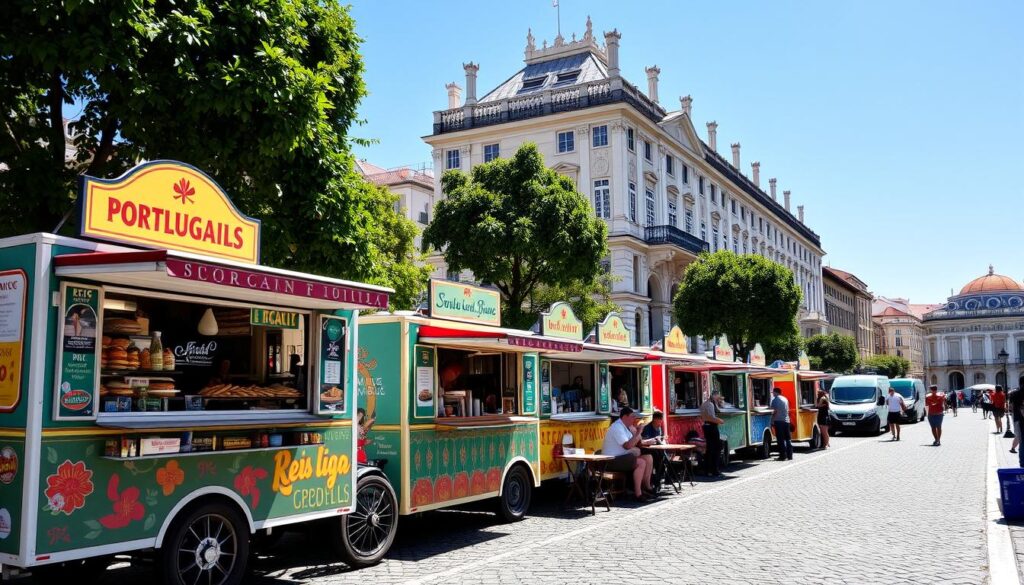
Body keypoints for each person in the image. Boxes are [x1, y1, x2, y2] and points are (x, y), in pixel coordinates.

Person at [600, 407, 656, 501]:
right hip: (612, 460)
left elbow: (637, 444)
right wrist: (638, 433)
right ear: (625, 417)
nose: (634, 419)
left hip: (622, 457)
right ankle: (638, 494)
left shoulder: (627, 427)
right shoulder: (617, 427)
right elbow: (628, 446)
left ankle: (646, 487)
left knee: (648, 458)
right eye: (632, 417)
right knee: (641, 462)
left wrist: (637, 434)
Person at [700, 390, 726, 476]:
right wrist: (720, 421)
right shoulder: (710, 404)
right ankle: (715, 469)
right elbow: (711, 417)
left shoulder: (704, 404)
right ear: (714, 395)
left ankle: (707, 470)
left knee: (709, 449)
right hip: (711, 427)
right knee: (716, 448)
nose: (718, 398)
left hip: (705, 427)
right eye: (717, 396)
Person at [641, 410, 667, 487]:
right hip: (648, 450)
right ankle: (656, 480)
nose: (661, 421)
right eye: (660, 419)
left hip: (657, 449)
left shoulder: (659, 428)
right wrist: (655, 440)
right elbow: (645, 441)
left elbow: (661, 438)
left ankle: (660, 478)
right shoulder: (647, 428)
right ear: (655, 419)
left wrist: (662, 440)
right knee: (659, 457)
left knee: (664, 457)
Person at [770, 387, 793, 460]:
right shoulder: (785, 399)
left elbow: (774, 410)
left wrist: (772, 420)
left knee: (780, 439)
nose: (772, 394)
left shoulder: (775, 399)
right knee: (788, 439)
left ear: (776, 392)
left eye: (773, 392)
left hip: (778, 421)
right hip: (786, 421)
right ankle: (790, 455)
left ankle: (782, 456)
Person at [1008, 388, 1023, 454]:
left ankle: (1013, 448)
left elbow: (1010, 409)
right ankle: (1013, 448)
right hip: (1017, 418)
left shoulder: (1012, 400)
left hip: (1015, 417)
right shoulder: (1017, 399)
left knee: (1018, 434)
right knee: (1019, 434)